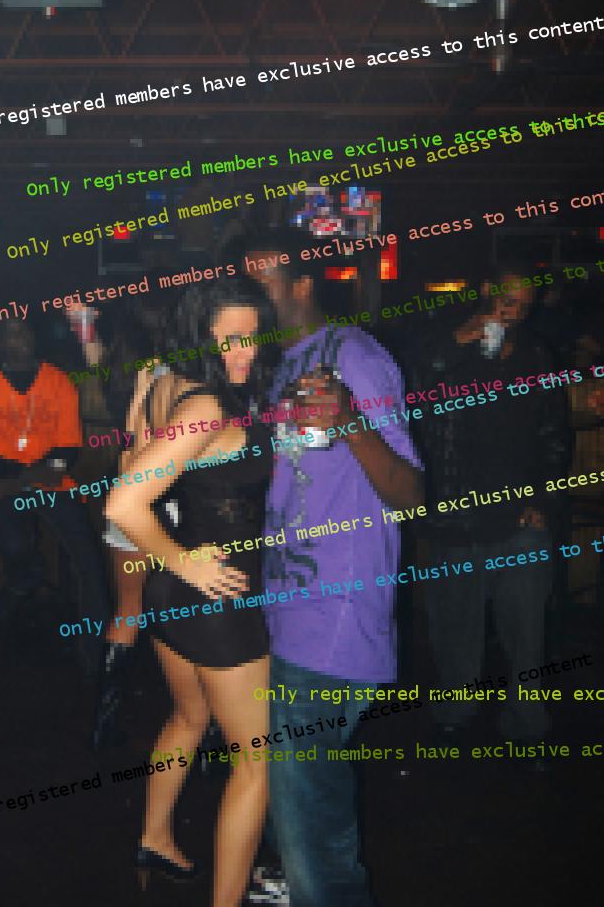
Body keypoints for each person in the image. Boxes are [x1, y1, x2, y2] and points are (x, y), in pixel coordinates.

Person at [241, 229, 423, 907]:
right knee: (294, 800)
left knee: (312, 822)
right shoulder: (273, 365)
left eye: (263, 278)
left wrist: (349, 420)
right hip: (285, 603)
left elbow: (409, 493)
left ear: (301, 283)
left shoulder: (355, 357)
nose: (251, 293)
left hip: (335, 610)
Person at [105, 277, 279, 907]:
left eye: (253, 337)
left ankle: (154, 837)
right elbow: (123, 501)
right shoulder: (206, 404)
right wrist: (185, 560)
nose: (245, 352)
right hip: (216, 599)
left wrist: (173, 563)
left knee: (188, 717)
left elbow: (130, 462)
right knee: (255, 763)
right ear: (198, 333)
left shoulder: (160, 380)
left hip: (168, 595)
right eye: (229, 339)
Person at [409, 263, 570, 744]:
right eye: (507, 300)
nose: (513, 312)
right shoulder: (438, 342)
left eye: (524, 305)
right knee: (455, 631)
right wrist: (457, 343)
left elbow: (554, 435)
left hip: (518, 520)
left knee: (527, 635)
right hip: (455, 518)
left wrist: (542, 499)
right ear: (486, 291)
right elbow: (409, 403)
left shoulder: (536, 354)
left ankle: (528, 728)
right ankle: (454, 717)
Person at [0, 318, 109, 675]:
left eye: (25, 331)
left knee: (87, 556)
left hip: (49, 483)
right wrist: (24, 477)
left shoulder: (58, 381)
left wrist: (35, 475)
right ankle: (23, 580)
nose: (21, 339)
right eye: (11, 334)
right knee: (14, 544)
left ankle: (98, 650)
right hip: (2, 484)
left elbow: (68, 446)